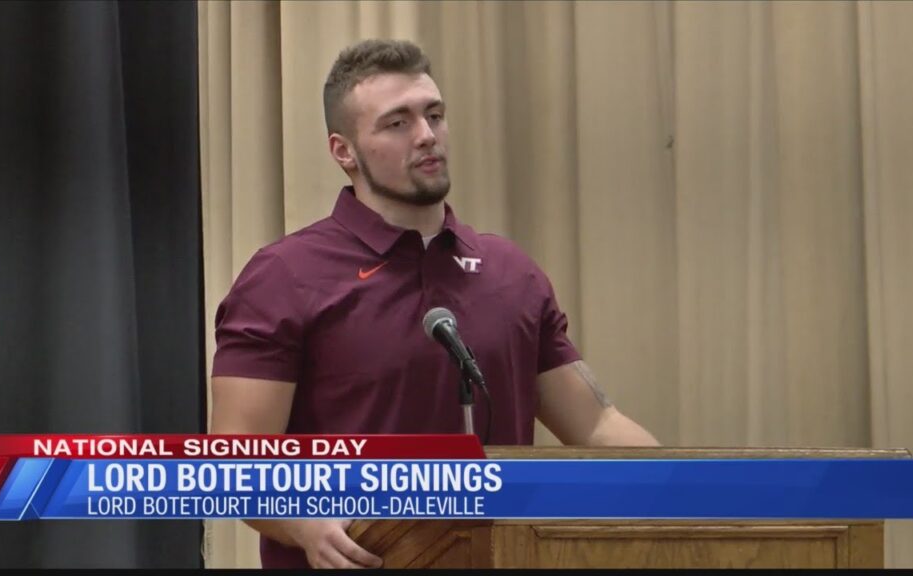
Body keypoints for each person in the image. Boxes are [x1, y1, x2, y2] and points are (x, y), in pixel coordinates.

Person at [210, 38, 660, 570]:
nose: (427, 136)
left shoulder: (510, 273)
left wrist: (700, 489)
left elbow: (596, 424)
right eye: (397, 123)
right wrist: (303, 522)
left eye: (435, 115)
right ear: (343, 151)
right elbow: (238, 463)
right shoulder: (285, 277)